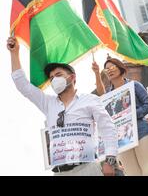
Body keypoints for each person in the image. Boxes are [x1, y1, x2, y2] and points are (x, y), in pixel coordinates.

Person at [7, 37, 118, 176]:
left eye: (58, 74)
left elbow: (108, 128)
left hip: (87, 169)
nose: (54, 79)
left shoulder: (90, 100)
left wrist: (110, 160)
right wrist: (14, 53)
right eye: (51, 78)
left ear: (72, 78)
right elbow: (22, 84)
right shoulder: (47, 103)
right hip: (60, 173)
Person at [93, 58, 148, 176]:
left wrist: (132, 114)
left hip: (141, 131)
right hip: (122, 137)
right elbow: (100, 93)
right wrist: (97, 73)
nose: (110, 70)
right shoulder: (108, 95)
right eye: (107, 69)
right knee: (132, 172)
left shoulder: (134, 85)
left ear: (120, 68)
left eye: (112, 67)